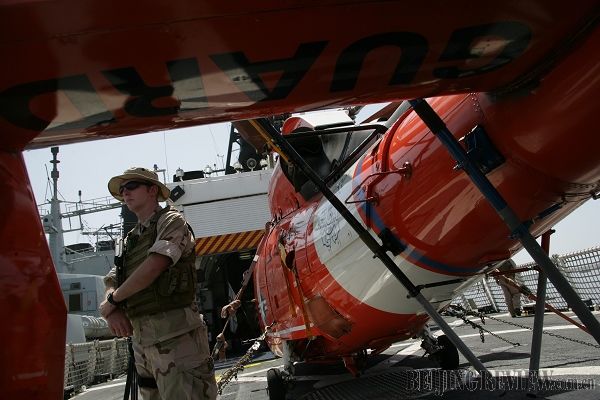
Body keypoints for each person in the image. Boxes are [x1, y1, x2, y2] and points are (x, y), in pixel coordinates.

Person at [99, 167, 217, 400]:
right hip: (143, 344)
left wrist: (113, 300)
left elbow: (156, 264)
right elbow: (113, 279)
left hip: (177, 337)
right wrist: (112, 310)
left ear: (152, 190)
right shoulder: (130, 240)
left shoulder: (171, 221)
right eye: (122, 189)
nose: (125, 192)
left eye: (131, 186)